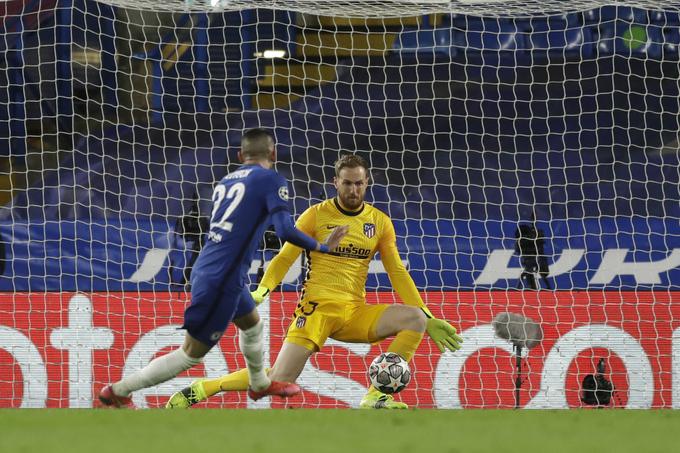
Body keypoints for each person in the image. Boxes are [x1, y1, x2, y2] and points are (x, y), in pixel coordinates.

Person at [166, 154, 462, 410]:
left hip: (354, 313)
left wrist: (427, 314)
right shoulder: (316, 215)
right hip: (316, 311)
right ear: (336, 182)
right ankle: (205, 388)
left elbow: (397, 271)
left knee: (413, 319)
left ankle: (377, 396)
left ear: (367, 183)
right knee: (278, 380)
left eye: (359, 183)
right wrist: (263, 289)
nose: (353, 189)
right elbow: (285, 257)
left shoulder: (380, 222)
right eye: (347, 183)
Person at [98, 128, 348, 407]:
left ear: (241, 155)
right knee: (191, 354)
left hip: (213, 267)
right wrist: (323, 247)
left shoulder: (225, 182)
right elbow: (285, 230)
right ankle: (119, 390)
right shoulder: (270, 179)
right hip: (223, 278)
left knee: (252, 324)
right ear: (273, 153)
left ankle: (259, 384)